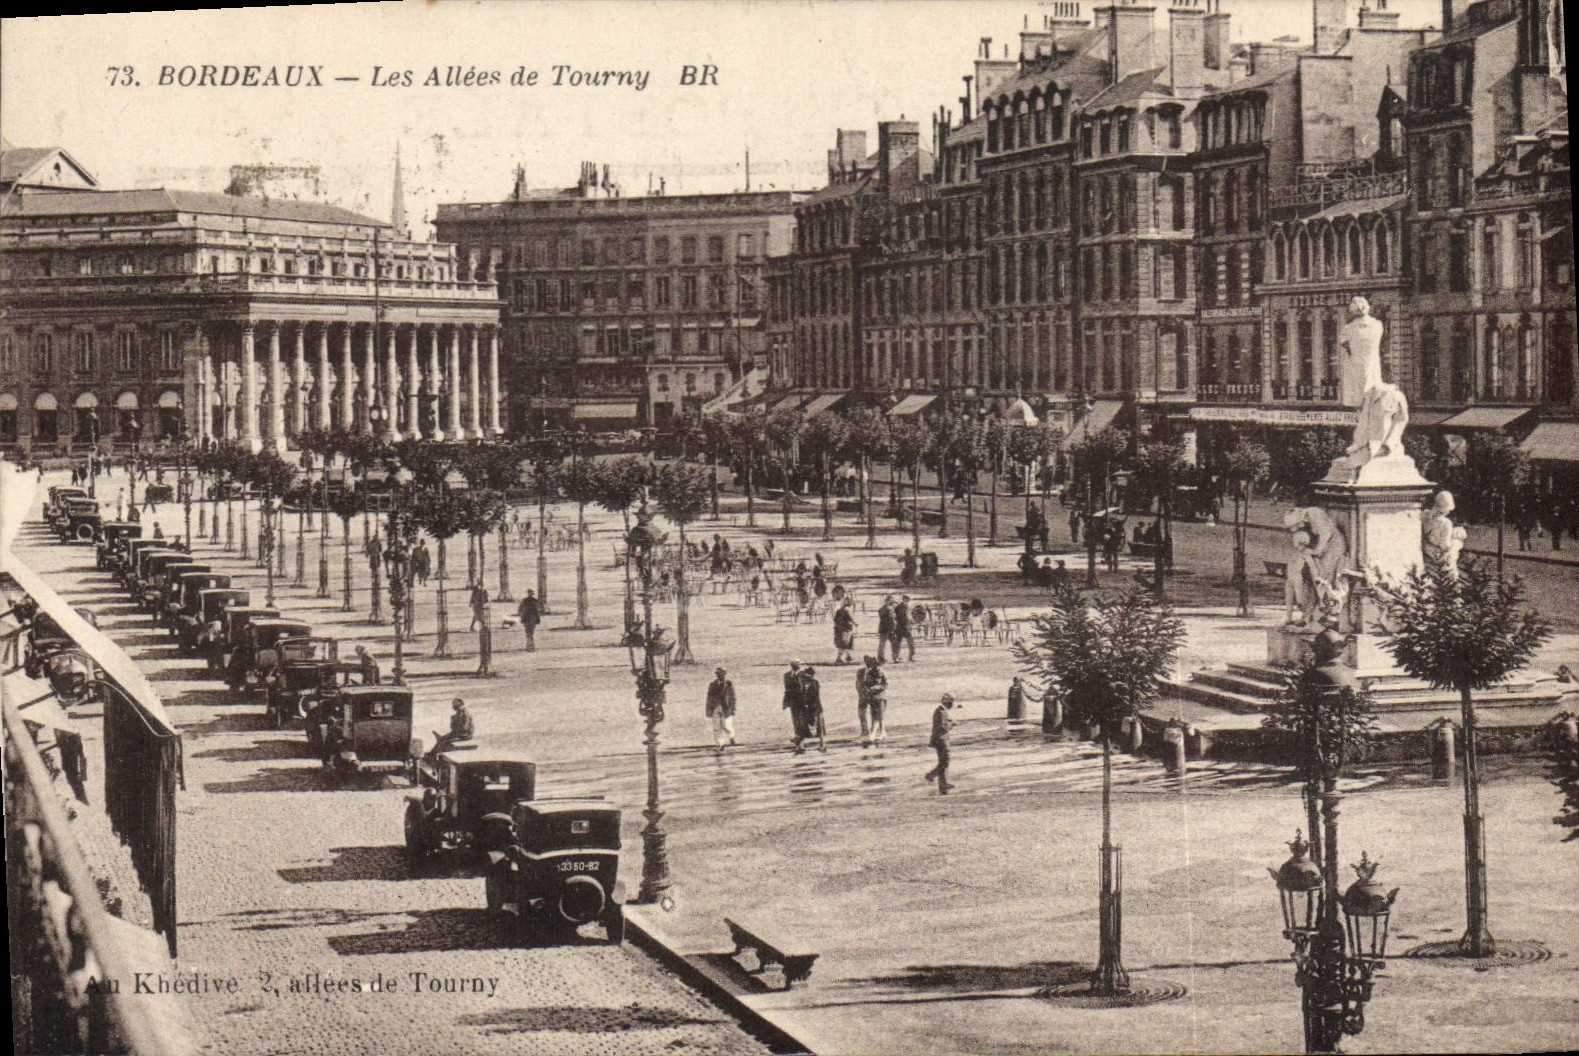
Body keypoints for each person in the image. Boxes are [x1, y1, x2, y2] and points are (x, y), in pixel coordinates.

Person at [924, 693, 958, 793]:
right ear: (946, 703)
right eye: (951, 703)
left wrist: (949, 722)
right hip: (941, 740)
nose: (952, 705)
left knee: (943, 761)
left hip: (940, 739)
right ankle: (931, 775)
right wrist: (952, 724)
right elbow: (942, 727)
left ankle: (943, 784)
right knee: (945, 761)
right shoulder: (941, 712)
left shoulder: (941, 711)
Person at [705, 666, 738, 752]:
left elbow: (733, 697)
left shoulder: (729, 684)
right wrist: (708, 710)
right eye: (718, 674)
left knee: (726, 725)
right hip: (715, 707)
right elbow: (709, 698)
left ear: (724, 674)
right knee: (716, 727)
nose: (719, 675)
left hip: (726, 708)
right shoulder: (712, 685)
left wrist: (733, 708)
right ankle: (720, 744)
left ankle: (732, 736)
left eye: (721, 673)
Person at [859, 655, 888, 747]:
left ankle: (874, 733)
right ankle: (881, 731)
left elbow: (886, 684)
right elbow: (865, 683)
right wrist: (868, 689)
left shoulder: (881, 672)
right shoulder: (870, 672)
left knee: (879, 715)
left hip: (881, 696)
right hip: (872, 697)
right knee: (876, 714)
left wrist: (878, 687)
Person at [798, 665, 827, 753]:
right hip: (810, 708)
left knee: (819, 728)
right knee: (804, 727)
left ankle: (822, 745)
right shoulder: (806, 683)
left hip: (814, 708)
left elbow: (813, 696)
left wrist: (806, 704)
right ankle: (801, 746)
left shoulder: (814, 683)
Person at [783, 660, 808, 751]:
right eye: (796, 664)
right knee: (796, 722)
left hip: (803, 703)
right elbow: (787, 690)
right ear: (791, 665)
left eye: (799, 664)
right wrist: (785, 702)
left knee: (802, 722)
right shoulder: (786, 675)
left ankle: (800, 743)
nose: (798, 665)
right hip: (793, 702)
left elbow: (807, 689)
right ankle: (800, 744)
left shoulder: (804, 675)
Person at [893, 595, 916, 662]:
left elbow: (896, 617)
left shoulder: (900, 606)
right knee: (910, 641)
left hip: (900, 627)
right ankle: (910, 657)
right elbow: (903, 617)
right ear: (904, 600)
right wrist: (909, 622)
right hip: (904, 627)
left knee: (898, 642)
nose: (907, 601)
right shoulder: (902, 607)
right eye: (907, 600)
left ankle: (896, 657)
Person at [876, 596, 896, 663]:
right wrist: (893, 628)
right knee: (893, 643)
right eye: (891, 601)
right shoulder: (889, 609)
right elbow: (891, 620)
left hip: (883, 628)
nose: (892, 602)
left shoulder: (882, 608)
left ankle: (880, 658)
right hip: (888, 629)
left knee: (882, 644)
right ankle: (895, 657)